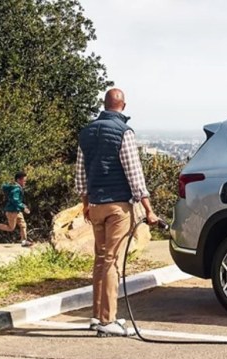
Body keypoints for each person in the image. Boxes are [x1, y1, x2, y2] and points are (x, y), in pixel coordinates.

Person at [75, 88, 159, 337]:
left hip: (96, 205)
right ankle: (108, 320)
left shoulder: (86, 132)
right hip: (118, 206)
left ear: (104, 104)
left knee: (100, 259)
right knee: (112, 260)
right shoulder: (124, 132)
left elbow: (80, 174)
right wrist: (149, 210)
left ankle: (96, 316)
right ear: (123, 106)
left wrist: (85, 204)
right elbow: (135, 174)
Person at [0, 171, 33, 247]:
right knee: (11, 228)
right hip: (12, 211)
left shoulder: (17, 188)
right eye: (24, 181)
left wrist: (23, 206)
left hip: (16, 210)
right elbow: (15, 200)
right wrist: (23, 207)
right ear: (18, 180)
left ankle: (24, 241)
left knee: (23, 224)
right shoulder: (16, 189)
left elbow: (16, 201)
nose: (25, 182)